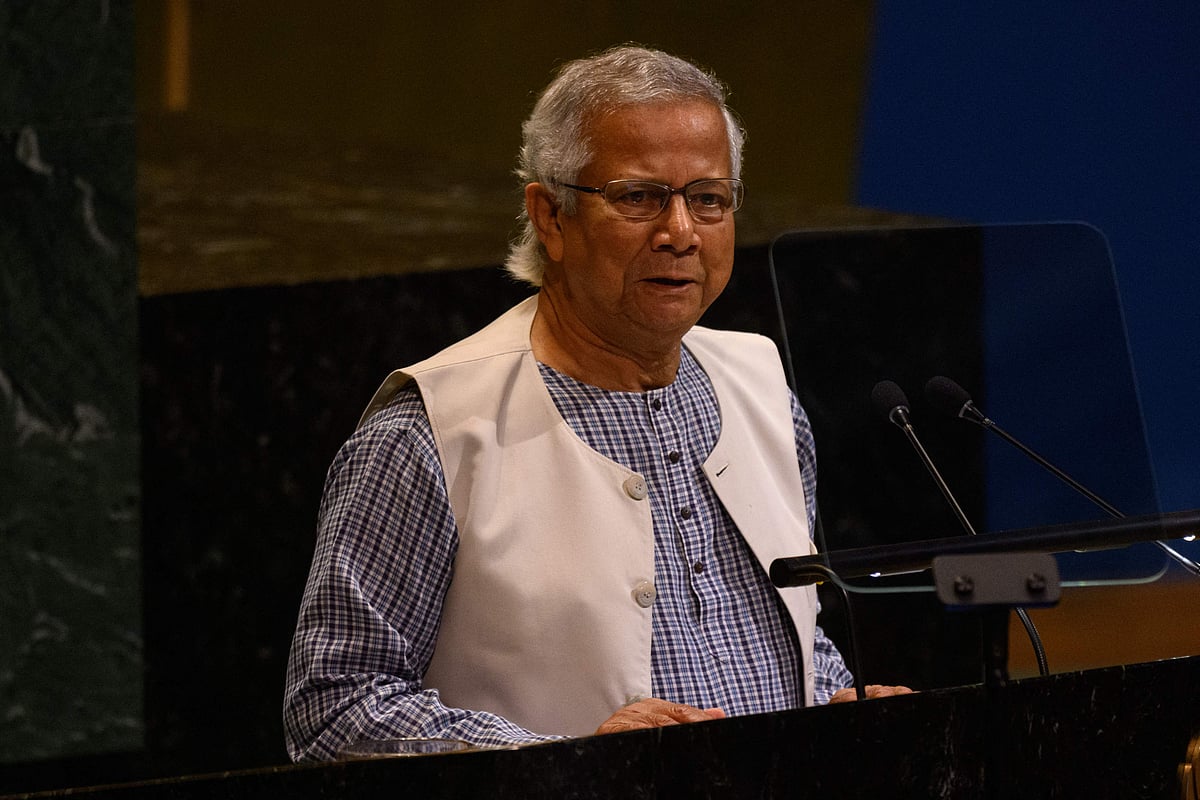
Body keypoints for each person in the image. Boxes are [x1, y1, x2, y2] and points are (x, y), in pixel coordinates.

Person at [283, 44, 909, 762]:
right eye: (640, 198)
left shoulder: (763, 387)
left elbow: (788, 628)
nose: (680, 233)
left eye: (708, 198)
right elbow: (335, 709)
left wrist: (831, 701)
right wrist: (567, 760)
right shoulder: (430, 434)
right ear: (549, 216)